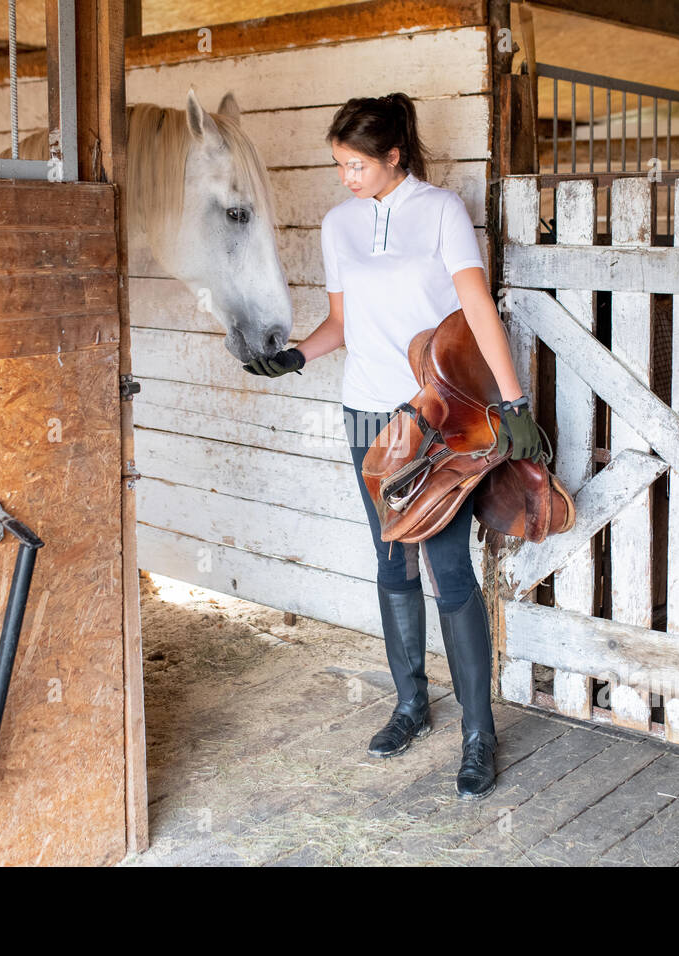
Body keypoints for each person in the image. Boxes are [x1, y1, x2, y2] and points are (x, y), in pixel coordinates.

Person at [244, 92, 541, 800]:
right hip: (364, 415)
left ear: (393, 157)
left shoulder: (440, 211)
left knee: (447, 564)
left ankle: (478, 733)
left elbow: (475, 308)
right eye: (339, 165)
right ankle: (411, 706)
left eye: (355, 164)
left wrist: (512, 399)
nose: (345, 176)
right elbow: (341, 324)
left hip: (436, 415)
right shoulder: (338, 223)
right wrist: (295, 356)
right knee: (390, 558)